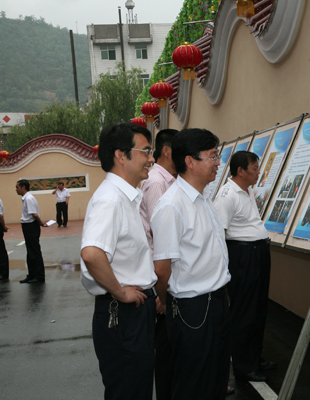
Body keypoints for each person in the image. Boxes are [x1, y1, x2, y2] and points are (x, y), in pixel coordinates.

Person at [151, 128, 231, 400]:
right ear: (189, 161)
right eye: (212, 156)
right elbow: (162, 268)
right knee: (194, 384)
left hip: (216, 300)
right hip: (192, 308)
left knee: (216, 378)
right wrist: (165, 301)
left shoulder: (203, 197)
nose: (217, 163)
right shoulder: (171, 206)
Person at [80, 122, 157, 400]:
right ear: (121, 156)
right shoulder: (111, 200)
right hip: (123, 314)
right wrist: (120, 292)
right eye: (145, 151)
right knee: (128, 389)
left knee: (136, 387)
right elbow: (92, 253)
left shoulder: (125, 197)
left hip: (134, 311)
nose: (151, 159)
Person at [213, 151, 276, 383]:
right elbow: (219, 234)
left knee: (259, 308)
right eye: (255, 168)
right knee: (244, 310)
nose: (259, 172)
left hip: (258, 253)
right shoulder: (227, 195)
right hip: (242, 256)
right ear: (240, 171)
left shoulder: (247, 190)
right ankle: (243, 365)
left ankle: (255, 357)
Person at [138, 128, 178, 400]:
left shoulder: (169, 180)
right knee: (164, 345)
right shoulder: (156, 182)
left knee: (171, 343)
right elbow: (158, 233)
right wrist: (161, 292)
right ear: (167, 151)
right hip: (160, 274)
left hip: (166, 271)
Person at [16, 179, 47, 283]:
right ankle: (32, 274)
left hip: (31, 226)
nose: (16, 189)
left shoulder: (28, 199)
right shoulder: (26, 198)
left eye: (17, 187)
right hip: (28, 226)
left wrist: (40, 223)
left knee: (34, 251)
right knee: (30, 252)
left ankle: (39, 276)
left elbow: (34, 214)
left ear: (23, 187)